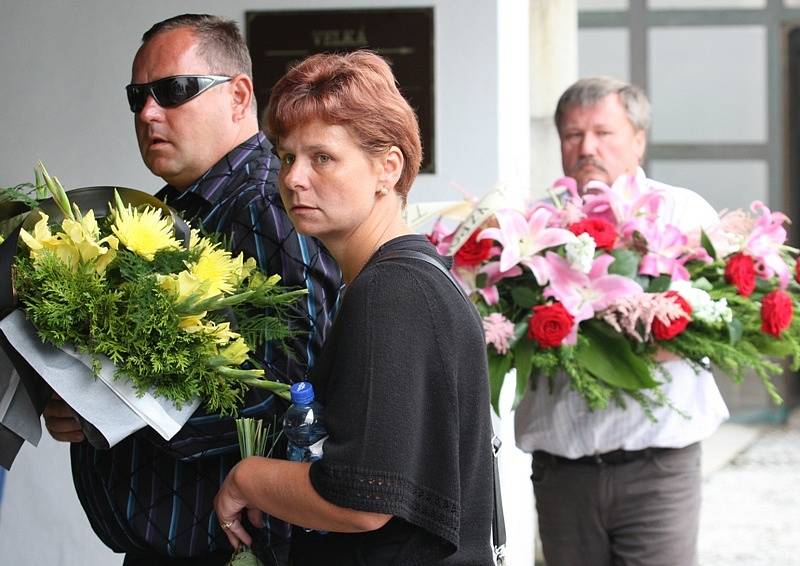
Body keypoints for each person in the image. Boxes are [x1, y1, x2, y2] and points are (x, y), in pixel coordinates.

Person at [41, 14, 341, 566]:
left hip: (234, 549)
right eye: (138, 96)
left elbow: (294, 391)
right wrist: (78, 398)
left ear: (239, 95)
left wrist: (111, 407)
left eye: (173, 90)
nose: (149, 112)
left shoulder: (267, 204)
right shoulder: (169, 210)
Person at [213, 50, 495, 565]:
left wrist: (247, 478)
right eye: (286, 156)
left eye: (322, 157)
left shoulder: (393, 292)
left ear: (388, 167)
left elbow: (365, 498)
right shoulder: (409, 277)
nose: (294, 178)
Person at [514, 76, 730, 566]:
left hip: (657, 472)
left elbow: (718, 326)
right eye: (572, 135)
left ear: (638, 139)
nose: (586, 147)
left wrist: (620, 344)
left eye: (603, 133)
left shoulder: (683, 212)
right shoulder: (536, 225)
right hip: (563, 472)